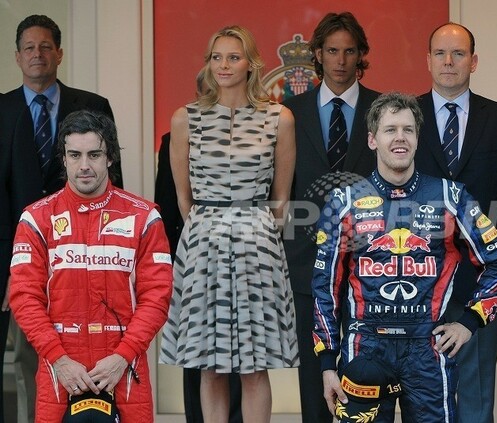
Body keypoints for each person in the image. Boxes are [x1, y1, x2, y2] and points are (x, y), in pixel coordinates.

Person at [312, 91, 497, 423]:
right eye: (390, 130)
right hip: (364, 348)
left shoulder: (450, 196)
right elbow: (325, 286)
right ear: (372, 139)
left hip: (428, 349)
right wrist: (326, 362)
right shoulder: (343, 202)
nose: (400, 138)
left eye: (408, 130)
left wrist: (469, 322)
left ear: (418, 139)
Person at [158, 25, 299, 422]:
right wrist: (211, 226)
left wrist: (254, 230)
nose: (223, 65)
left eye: (233, 57)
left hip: (259, 244)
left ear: (251, 64)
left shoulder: (279, 118)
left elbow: (281, 199)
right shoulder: (185, 118)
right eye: (216, 57)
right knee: (209, 365)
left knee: (255, 366)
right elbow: (183, 198)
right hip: (203, 243)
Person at [8, 109, 172, 422]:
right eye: (75, 155)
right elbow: (24, 298)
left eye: (94, 154)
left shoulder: (144, 217)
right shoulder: (36, 219)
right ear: (63, 158)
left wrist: (122, 357)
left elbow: (157, 297)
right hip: (60, 371)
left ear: (110, 158)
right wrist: (59, 360)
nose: (84, 165)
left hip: (124, 370)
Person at [414, 22, 497, 423]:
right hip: (413, 277)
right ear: (428, 60)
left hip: (480, 277)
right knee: (420, 395)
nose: (449, 62)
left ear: (474, 61)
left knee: (476, 393)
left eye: (459, 53)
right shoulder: (404, 116)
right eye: (440, 53)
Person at [0, 14, 120, 423]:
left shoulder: (93, 106)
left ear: (60, 53)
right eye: (29, 48)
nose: (38, 54)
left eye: (46, 46)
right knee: (21, 358)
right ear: (17, 56)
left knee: (84, 354)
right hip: (12, 256)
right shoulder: (1, 109)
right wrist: (10, 269)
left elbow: (112, 185)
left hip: (85, 254)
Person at [281, 12, 379, 422]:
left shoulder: (382, 109)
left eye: (349, 51)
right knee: (313, 374)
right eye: (332, 51)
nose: (340, 60)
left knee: (368, 372)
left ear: (360, 55)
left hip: (371, 260)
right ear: (318, 54)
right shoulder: (289, 112)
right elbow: (280, 189)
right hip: (306, 260)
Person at [153, 131, 244, 423]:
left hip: (247, 256)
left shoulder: (259, 133)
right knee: (200, 358)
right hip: (194, 261)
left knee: (245, 359)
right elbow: (167, 207)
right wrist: (168, 268)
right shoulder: (176, 137)